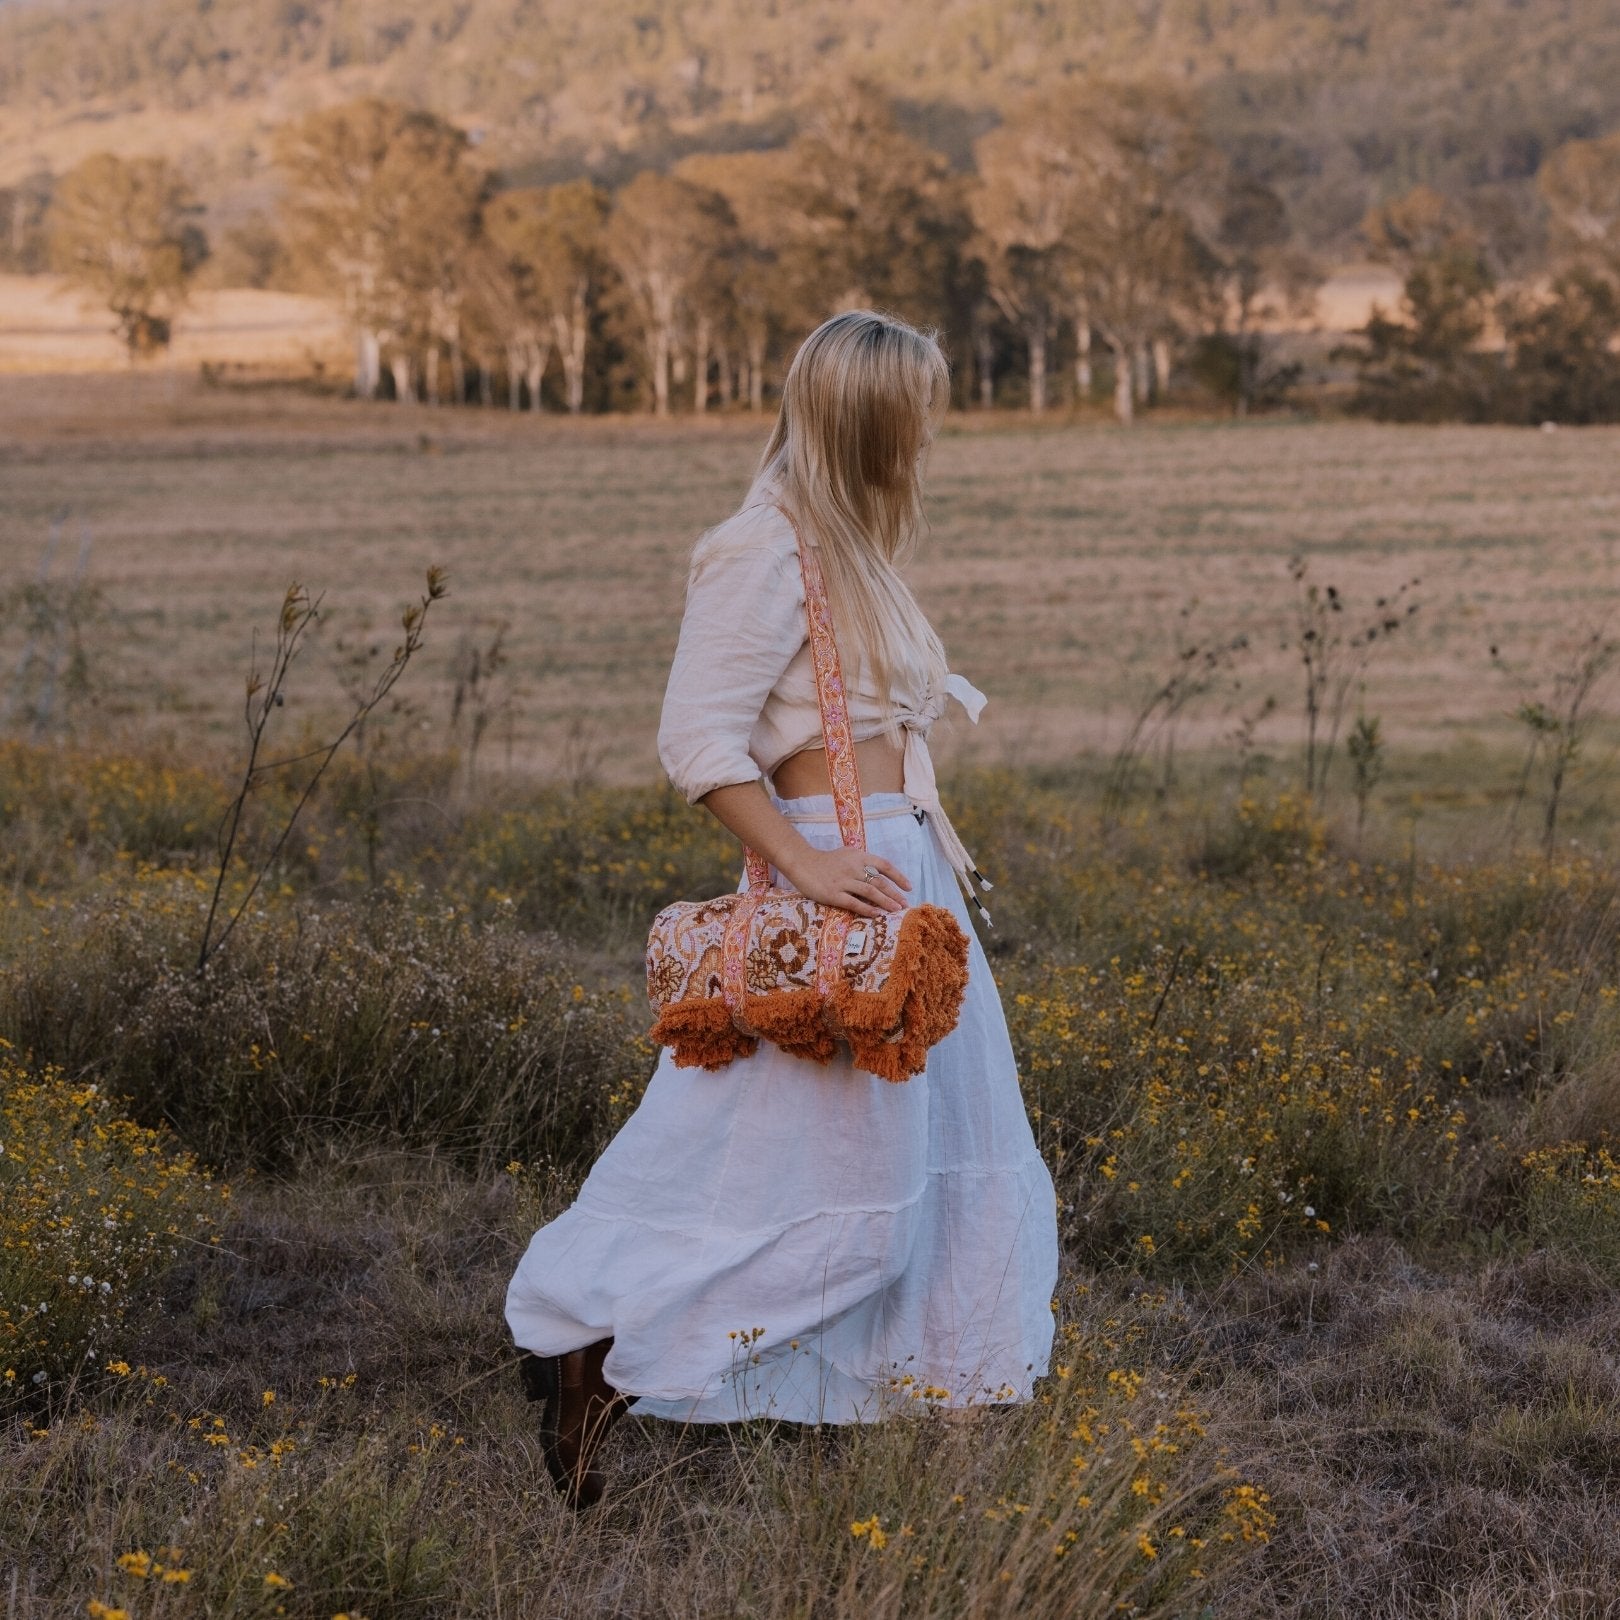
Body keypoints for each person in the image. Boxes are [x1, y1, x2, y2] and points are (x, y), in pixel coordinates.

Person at [504, 308, 1058, 1508]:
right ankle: (599, 1354)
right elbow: (696, 741)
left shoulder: (849, 543)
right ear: (867, 416)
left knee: (950, 1158)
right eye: (916, 409)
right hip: (838, 888)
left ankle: (950, 1426)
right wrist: (804, 871)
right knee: (784, 1178)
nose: (929, 430)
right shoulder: (766, 550)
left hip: (901, 889)